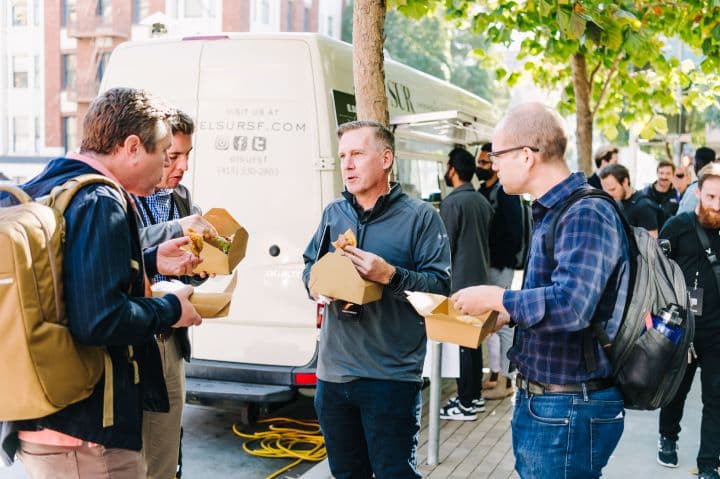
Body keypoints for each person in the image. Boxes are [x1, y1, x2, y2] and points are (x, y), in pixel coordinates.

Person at [0, 87, 203, 478]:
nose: (166, 168)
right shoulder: (101, 198)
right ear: (131, 146)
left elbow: (63, 285)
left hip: (43, 421)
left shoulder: (49, 184)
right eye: (163, 154)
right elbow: (100, 319)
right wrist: (172, 309)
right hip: (88, 437)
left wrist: (147, 260)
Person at [451, 102, 630, 478]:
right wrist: (505, 314)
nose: (493, 164)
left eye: (497, 155)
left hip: (567, 406)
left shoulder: (584, 212)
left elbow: (572, 305)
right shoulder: (556, 209)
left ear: (527, 156)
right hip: (555, 404)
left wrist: (497, 297)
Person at [302, 120, 451, 479]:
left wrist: (391, 276)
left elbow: (440, 291)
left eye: (357, 154)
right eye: (342, 156)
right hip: (334, 376)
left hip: (390, 377)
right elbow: (310, 264)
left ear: (386, 158)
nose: (347, 164)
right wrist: (315, 284)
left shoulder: (421, 219)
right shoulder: (333, 214)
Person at [133, 110, 217, 479]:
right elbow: (124, 248)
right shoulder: (119, 195)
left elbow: (184, 272)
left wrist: (201, 269)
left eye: (188, 155)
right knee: (134, 457)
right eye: (173, 156)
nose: (182, 166)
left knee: (168, 455)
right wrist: (176, 228)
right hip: (133, 344)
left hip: (171, 340)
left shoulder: (182, 197)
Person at [656, 163, 720, 479]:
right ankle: (668, 435)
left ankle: (709, 462)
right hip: (683, 327)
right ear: (698, 192)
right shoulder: (677, 226)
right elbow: (655, 275)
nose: (716, 205)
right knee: (676, 389)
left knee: (717, 397)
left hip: (718, 330)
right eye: (711, 197)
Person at [438, 147, 493, 421]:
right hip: (481, 280)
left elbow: (444, 248)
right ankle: (475, 398)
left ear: (453, 169)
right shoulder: (482, 201)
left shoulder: (451, 204)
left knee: (461, 344)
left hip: (459, 283)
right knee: (472, 345)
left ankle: (465, 403)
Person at [477, 142, 522, 400]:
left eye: (485, 162)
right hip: (486, 265)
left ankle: (506, 379)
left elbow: (514, 232)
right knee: (489, 321)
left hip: (500, 265)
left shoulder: (505, 193)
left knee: (502, 322)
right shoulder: (484, 190)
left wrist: (502, 259)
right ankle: (494, 374)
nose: (481, 167)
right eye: (479, 162)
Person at [599, 163, 659, 237]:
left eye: (613, 189)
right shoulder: (618, 201)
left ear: (625, 182)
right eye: (606, 191)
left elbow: (651, 244)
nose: (609, 194)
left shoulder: (644, 206)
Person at [678, 147, 716, 214]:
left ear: (698, 164)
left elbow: (681, 217)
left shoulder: (696, 188)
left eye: (694, 161)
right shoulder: (716, 185)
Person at [643, 160, 680, 229]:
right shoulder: (646, 192)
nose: (664, 177)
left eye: (668, 173)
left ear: (673, 175)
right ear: (657, 173)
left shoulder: (677, 195)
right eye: (661, 173)